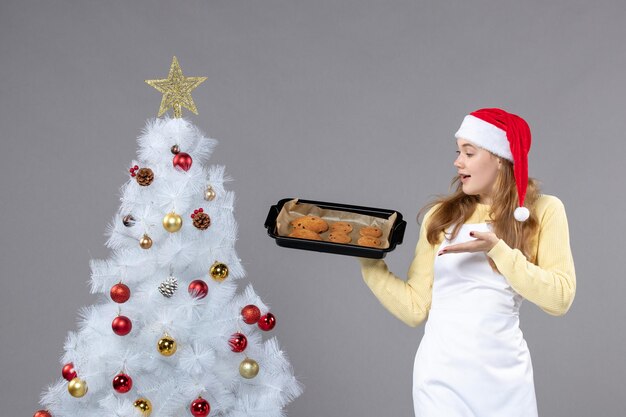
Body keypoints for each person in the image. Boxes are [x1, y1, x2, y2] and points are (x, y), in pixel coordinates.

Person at [358, 107, 576, 417]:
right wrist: (368, 260)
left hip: (506, 380)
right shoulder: (441, 217)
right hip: (440, 377)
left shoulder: (543, 210)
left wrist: (498, 250)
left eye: (469, 152)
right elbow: (415, 309)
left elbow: (560, 299)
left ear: (499, 157)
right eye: (458, 151)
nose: (457, 161)